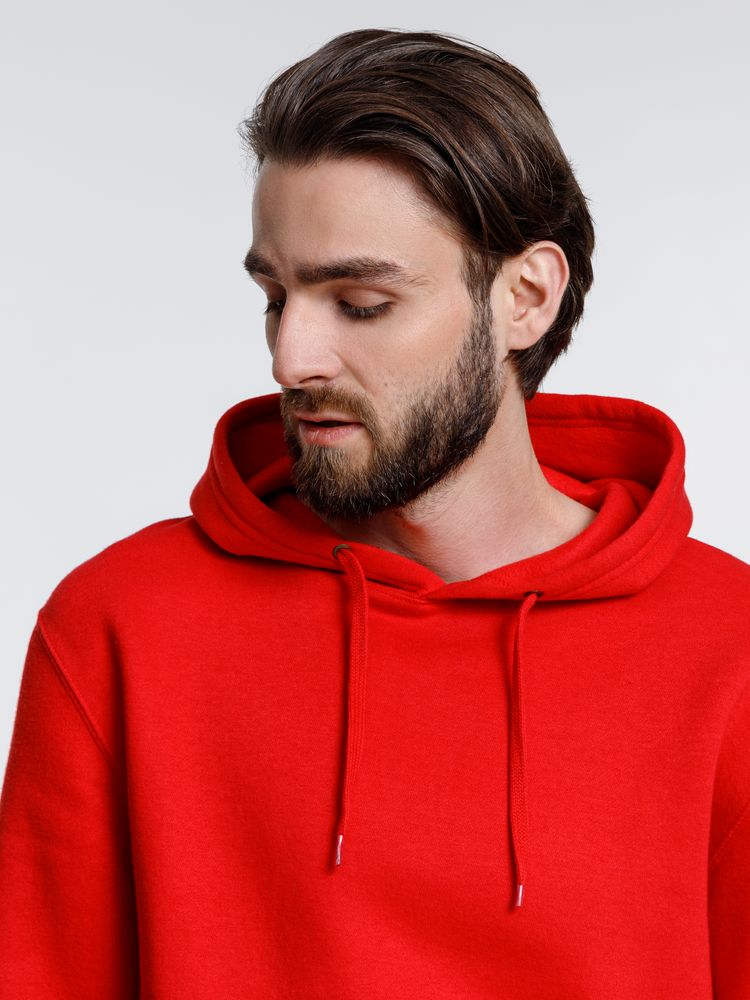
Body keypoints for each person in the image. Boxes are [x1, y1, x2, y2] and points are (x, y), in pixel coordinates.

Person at [1, 26, 748, 1000]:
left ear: (525, 297)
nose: (292, 357)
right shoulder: (120, 628)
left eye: (359, 302)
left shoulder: (727, 646)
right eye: (276, 297)